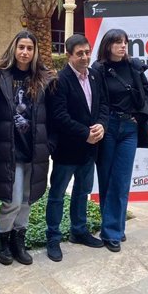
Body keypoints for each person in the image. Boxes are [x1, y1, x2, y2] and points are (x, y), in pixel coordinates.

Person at [45, 34, 109, 262]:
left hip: (90, 151)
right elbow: (59, 116)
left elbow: (103, 106)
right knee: (57, 195)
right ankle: (53, 237)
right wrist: (85, 134)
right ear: (68, 55)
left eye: (87, 52)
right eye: (79, 53)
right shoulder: (59, 81)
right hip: (67, 150)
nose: (85, 57)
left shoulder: (94, 77)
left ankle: (78, 231)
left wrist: (101, 125)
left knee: (83, 193)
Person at [0, 30, 53, 265]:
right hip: (10, 150)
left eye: (29, 48)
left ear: (34, 51)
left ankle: (19, 240)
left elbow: (53, 115)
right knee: (13, 200)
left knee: (28, 199)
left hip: (34, 149)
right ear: (14, 49)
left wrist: (49, 144)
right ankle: (2, 237)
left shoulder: (45, 78)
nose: (25, 52)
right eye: (21, 47)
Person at [91, 29, 148, 252]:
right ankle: (114, 225)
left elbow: (147, 94)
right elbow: (95, 100)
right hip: (108, 128)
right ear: (107, 45)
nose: (122, 46)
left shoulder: (134, 66)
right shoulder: (98, 69)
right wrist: (101, 123)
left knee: (121, 179)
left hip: (129, 128)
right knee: (106, 179)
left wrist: (141, 116)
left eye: (125, 42)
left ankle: (112, 232)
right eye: (117, 42)